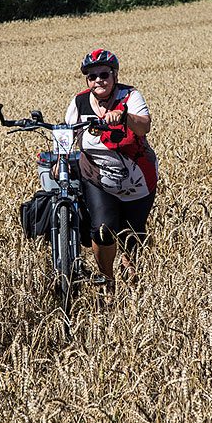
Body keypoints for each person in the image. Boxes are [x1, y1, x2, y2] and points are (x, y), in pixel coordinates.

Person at [64, 49, 158, 289]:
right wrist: (60, 159)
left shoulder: (130, 96)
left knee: (132, 237)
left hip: (137, 178)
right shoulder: (80, 101)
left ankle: (131, 271)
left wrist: (124, 116)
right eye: (92, 76)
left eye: (104, 74)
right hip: (97, 177)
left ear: (115, 75)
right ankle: (108, 281)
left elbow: (144, 127)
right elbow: (66, 133)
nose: (98, 80)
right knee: (103, 230)